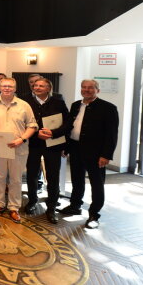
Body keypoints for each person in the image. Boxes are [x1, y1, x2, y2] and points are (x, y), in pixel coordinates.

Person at [59, 79, 118, 229]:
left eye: (90, 88)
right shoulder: (75, 105)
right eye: (84, 87)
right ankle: (75, 205)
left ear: (97, 90)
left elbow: (111, 135)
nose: (87, 90)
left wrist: (106, 155)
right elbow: (70, 128)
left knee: (96, 184)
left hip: (96, 153)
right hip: (75, 148)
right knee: (76, 180)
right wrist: (66, 147)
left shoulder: (108, 108)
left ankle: (94, 214)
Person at [0, 77, 37, 223]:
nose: (7, 88)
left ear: (15, 89)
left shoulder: (24, 105)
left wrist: (22, 139)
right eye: (4, 86)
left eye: (10, 86)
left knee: (15, 179)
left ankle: (14, 207)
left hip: (19, 146)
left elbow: (32, 126)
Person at [25, 77, 70, 224]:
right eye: (35, 85)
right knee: (31, 174)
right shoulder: (26, 102)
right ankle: (32, 201)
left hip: (53, 144)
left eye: (41, 86)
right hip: (33, 143)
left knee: (53, 177)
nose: (37, 87)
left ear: (48, 88)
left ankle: (51, 208)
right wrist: (35, 133)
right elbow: (21, 122)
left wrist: (53, 133)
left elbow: (68, 123)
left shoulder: (58, 102)